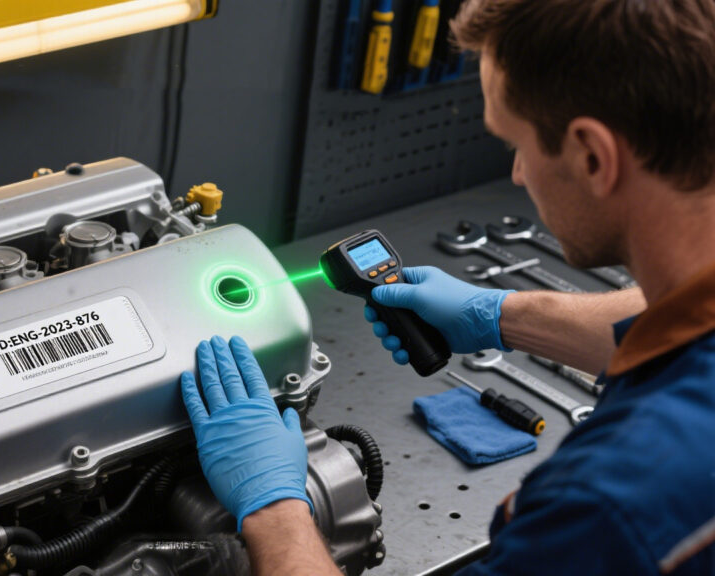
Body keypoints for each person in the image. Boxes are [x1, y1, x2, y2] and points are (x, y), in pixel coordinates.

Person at [179, 0, 715, 574]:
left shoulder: (608, 506)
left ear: (592, 156)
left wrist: (274, 508)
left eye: (517, 145)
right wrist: (499, 313)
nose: (516, 175)